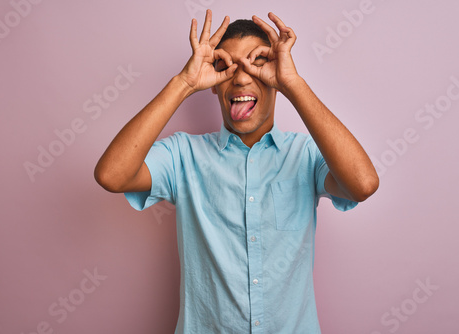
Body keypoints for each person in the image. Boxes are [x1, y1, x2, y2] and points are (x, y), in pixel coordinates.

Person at [94, 9, 379, 333]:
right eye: (226, 66)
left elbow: (363, 184)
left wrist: (293, 83)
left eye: (256, 64)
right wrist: (184, 83)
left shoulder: (305, 155)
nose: (241, 78)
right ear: (214, 84)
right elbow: (111, 175)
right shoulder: (183, 155)